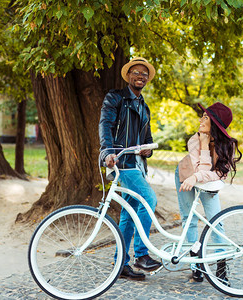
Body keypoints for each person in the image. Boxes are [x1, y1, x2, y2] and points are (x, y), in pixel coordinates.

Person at [99, 57, 161, 281]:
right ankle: (142, 255)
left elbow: (148, 138)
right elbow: (105, 125)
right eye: (136, 72)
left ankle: (121, 264)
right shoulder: (115, 98)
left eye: (144, 74)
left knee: (128, 213)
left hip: (138, 165)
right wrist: (107, 153)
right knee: (149, 200)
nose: (140, 76)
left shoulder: (144, 106)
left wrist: (148, 151)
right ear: (128, 76)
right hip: (122, 163)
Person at [175, 102, 242, 283]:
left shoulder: (227, 145)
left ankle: (221, 266)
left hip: (206, 182)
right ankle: (195, 264)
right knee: (189, 220)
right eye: (202, 116)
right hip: (185, 175)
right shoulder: (194, 140)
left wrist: (206, 147)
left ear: (214, 123)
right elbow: (198, 170)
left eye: (205, 117)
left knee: (216, 222)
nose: (200, 119)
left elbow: (218, 174)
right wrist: (203, 144)